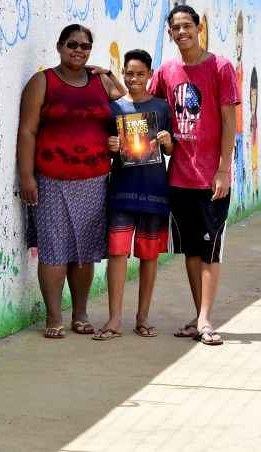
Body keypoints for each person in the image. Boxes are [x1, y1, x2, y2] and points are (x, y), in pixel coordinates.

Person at [17, 23, 127, 339]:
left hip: (94, 180)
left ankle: (80, 314)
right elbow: (27, 131)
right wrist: (27, 176)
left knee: (84, 250)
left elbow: (125, 104)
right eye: (72, 44)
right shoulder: (43, 82)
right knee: (53, 249)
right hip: (51, 180)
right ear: (59, 46)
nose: (78, 50)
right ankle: (54, 317)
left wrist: (107, 73)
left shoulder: (99, 83)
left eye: (84, 46)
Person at [148, 5, 238, 346]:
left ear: (199, 27)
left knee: (210, 250)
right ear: (170, 33)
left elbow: (230, 122)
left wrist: (223, 169)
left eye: (187, 25)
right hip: (178, 179)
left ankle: (204, 319)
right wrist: (108, 82)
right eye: (176, 27)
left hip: (210, 179)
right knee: (190, 252)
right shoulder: (167, 71)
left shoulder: (220, 67)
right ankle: (198, 317)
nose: (182, 32)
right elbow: (145, 101)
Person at [93, 49, 174, 341]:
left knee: (149, 256)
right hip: (122, 191)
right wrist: (111, 145)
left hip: (154, 192)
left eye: (141, 74)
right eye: (130, 73)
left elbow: (173, 149)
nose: (135, 79)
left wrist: (167, 143)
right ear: (123, 73)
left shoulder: (163, 108)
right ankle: (114, 320)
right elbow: (103, 146)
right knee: (117, 253)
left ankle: (143, 318)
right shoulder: (115, 109)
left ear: (150, 75)